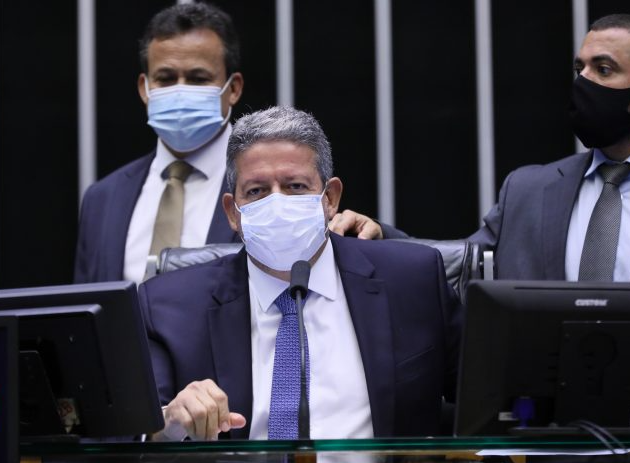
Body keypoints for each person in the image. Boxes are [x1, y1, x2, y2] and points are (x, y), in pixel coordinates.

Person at [138, 106, 462, 441]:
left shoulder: (413, 282)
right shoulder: (169, 306)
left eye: (294, 186)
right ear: (233, 213)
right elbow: (125, 434)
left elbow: (491, 402)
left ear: (330, 198)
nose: (276, 204)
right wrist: (169, 422)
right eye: (256, 191)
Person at [332, 13, 630, 282]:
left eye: (603, 70)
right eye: (581, 69)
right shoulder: (529, 191)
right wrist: (380, 238)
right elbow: (459, 265)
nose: (584, 82)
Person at [74, 2, 244, 284]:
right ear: (145, 88)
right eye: (165, 79)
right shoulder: (102, 199)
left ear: (233, 88)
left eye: (197, 78)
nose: (180, 90)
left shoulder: (270, 188)